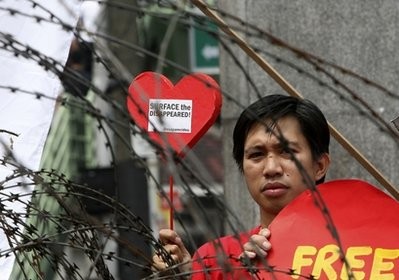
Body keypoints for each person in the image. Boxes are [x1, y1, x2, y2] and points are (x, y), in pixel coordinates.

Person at [152, 94, 331, 279]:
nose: (271, 169)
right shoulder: (213, 261)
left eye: (286, 151)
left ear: (319, 166)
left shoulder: (354, 250)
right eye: (256, 154)